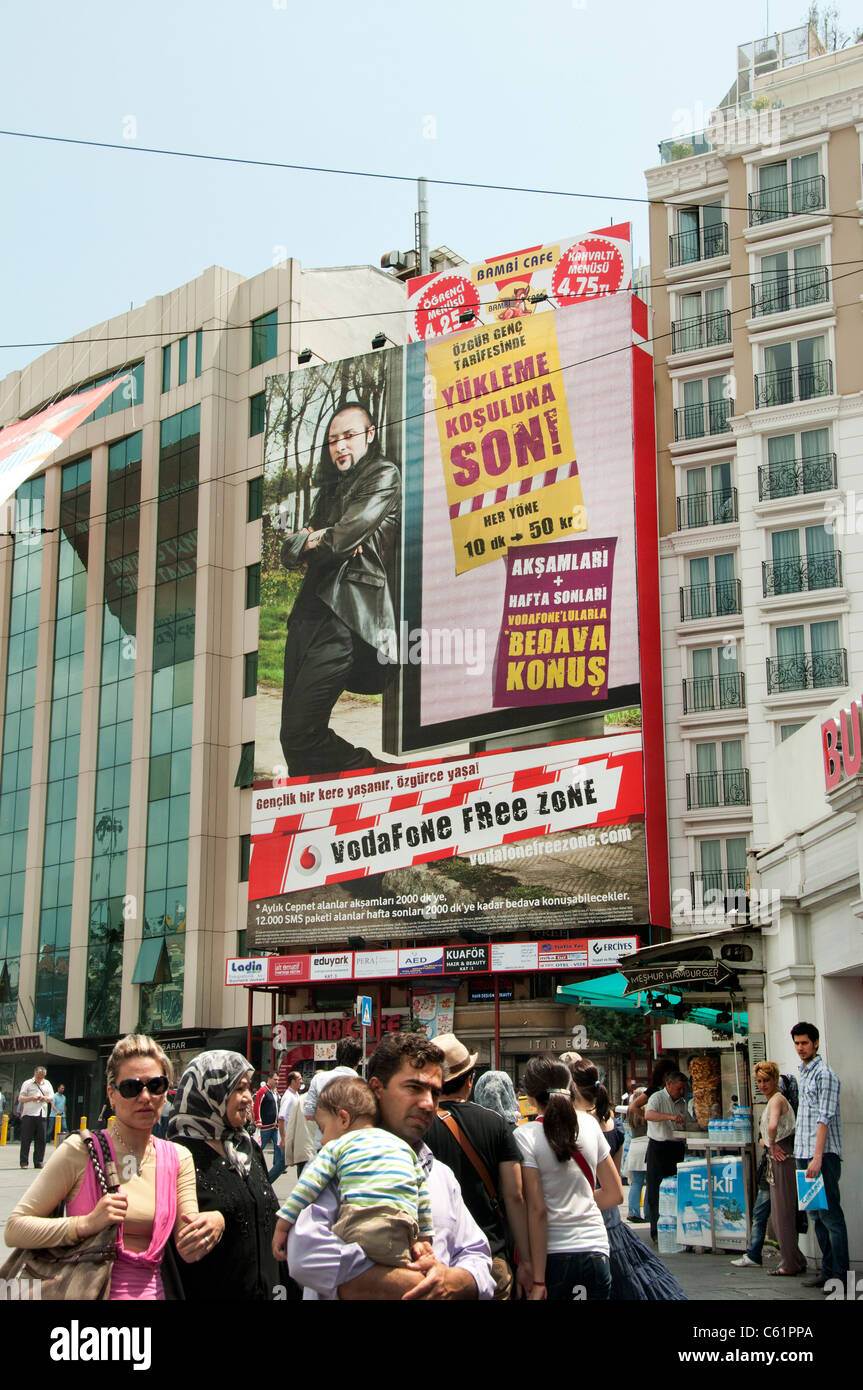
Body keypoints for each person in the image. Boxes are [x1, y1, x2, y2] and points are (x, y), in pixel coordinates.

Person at [6, 1034, 219, 1299]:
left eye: (156, 1085)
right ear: (112, 1095)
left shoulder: (179, 1158)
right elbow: (15, 1229)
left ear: (166, 1092)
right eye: (131, 1087)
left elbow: (188, 1246)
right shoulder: (80, 1151)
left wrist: (216, 1222)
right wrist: (84, 1224)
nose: (145, 1096)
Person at [286, 1032, 495, 1300]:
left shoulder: (440, 1174)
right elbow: (307, 1256)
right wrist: (420, 1285)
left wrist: (455, 1280)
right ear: (376, 1088)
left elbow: (476, 1254)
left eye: (434, 1091)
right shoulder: (337, 1164)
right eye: (414, 1088)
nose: (429, 1103)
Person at [277, 401, 401, 777]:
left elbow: (341, 541)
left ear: (370, 435)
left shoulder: (382, 474)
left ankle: (382, 778)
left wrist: (312, 540)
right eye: (333, 440)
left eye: (348, 436)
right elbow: (288, 550)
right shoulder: (330, 489)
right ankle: (330, 811)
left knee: (300, 734)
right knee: (291, 739)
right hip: (305, 615)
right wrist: (312, 541)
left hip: (344, 615)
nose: (340, 446)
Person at [274, 1074, 433, 1269]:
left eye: (323, 1129)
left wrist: (283, 1225)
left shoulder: (338, 1146)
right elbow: (423, 1195)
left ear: (343, 1119)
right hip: (402, 1230)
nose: (322, 1140)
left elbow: (308, 1186)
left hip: (358, 1227)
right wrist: (423, 1240)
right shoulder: (403, 1147)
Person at [168, 1050, 288, 1301]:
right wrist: (220, 1220)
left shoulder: (249, 1149)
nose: (248, 1097)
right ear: (211, 1094)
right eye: (239, 1089)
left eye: (249, 1088)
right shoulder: (179, 1155)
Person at [426, 1036, 532, 1299]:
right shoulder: (496, 1124)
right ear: (469, 1081)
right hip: (491, 1255)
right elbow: (515, 1196)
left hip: (435, 1260)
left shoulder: (420, 1127)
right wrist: (527, 1260)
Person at [571, 1060, 686, 1301]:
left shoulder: (578, 1124)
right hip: (611, 1214)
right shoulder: (611, 1122)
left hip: (589, 1214)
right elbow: (615, 1172)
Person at [515, 1057, 622, 1301]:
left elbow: (537, 1209)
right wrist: (579, 1201)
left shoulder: (524, 1136)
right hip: (596, 1248)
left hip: (554, 1255)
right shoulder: (590, 1125)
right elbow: (615, 1194)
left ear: (530, 1097)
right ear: (569, 1087)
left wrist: (539, 1279)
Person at [791, 1021, 849, 1290]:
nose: (800, 1048)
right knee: (816, 1215)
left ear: (815, 1043)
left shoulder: (824, 1074)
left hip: (822, 1155)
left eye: (804, 1043)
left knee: (830, 1217)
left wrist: (816, 1157)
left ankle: (840, 1274)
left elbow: (823, 1119)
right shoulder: (803, 1073)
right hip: (805, 1153)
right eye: (797, 1043)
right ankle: (827, 1272)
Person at [751, 1061, 806, 1277]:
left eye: (766, 1080)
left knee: (782, 1215)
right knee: (782, 1213)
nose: (763, 1084)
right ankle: (795, 1258)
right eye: (760, 1081)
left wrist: (771, 1145)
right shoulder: (774, 1100)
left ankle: (790, 1262)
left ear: (775, 1080)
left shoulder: (776, 1101)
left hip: (782, 1157)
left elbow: (772, 1126)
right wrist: (769, 1143)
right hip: (780, 1155)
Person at [644, 1070, 689, 1245]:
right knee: (656, 1190)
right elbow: (649, 1115)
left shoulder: (683, 1102)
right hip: (658, 1146)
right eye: (679, 1088)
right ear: (669, 1084)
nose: (681, 1092)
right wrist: (670, 1117)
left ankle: (675, 1227)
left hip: (676, 1146)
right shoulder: (657, 1097)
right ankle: (656, 1229)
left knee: (676, 1189)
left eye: (683, 1089)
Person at [303, 1039, 362, 1151]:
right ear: (358, 1060)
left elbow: (308, 1114)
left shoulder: (319, 1079)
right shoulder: (362, 1084)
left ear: (336, 1056)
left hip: (324, 1145)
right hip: (351, 1147)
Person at [17, 1065, 54, 1169]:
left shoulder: (47, 1084)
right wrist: (31, 1098)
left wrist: (44, 1098)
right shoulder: (27, 1083)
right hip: (29, 1114)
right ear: (35, 1074)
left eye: (42, 1077)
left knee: (41, 1139)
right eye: (38, 1077)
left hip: (42, 1114)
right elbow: (20, 1098)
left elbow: (51, 1097)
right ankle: (24, 1162)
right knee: (26, 1139)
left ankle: (39, 1161)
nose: (40, 1079)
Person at [278, 1072, 314, 1179]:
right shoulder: (289, 1097)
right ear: (293, 1081)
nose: (301, 1081)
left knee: (283, 1164)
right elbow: (281, 1118)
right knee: (281, 1164)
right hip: (289, 1135)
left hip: (295, 1135)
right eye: (299, 1079)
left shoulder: (296, 1095)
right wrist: (283, 1138)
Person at [254, 1072, 280, 1170]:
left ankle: (277, 1166)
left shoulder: (276, 1092)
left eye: (278, 1080)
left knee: (278, 1146)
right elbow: (257, 1105)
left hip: (275, 1125)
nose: (277, 1082)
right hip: (265, 1126)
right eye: (275, 1079)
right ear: (269, 1079)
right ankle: (254, 1163)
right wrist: (258, 1120)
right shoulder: (263, 1091)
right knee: (260, 1146)